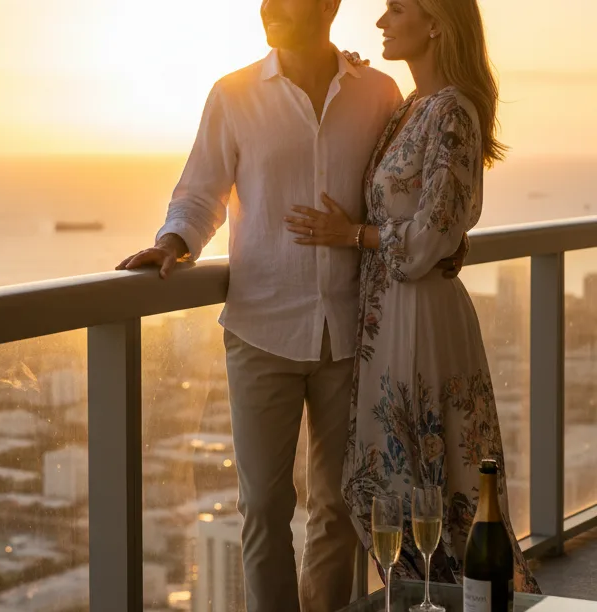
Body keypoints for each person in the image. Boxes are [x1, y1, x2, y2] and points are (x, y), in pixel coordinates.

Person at [116, 1, 465, 609]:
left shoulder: (379, 92)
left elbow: (405, 193)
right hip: (261, 329)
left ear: (329, 5)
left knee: (339, 505)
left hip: (354, 334)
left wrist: (443, 240)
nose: (269, 6)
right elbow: (200, 193)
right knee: (263, 508)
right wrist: (173, 242)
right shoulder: (232, 94)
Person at [283, 0, 542, 593]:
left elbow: (431, 237)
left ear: (436, 23)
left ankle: (456, 600)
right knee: (389, 486)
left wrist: (352, 235)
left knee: (428, 486)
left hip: (421, 323)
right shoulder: (408, 107)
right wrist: (341, 72)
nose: (380, 22)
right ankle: (431, 598)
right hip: (388, 320)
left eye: (396, 8)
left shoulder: (453, 110)